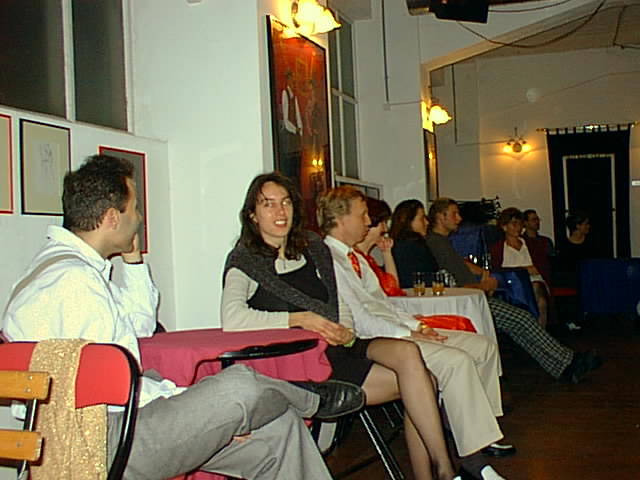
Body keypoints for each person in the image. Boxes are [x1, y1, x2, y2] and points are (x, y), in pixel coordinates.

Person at [2, 155, 363, 480]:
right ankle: (311, 399)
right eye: (134, 209)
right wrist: (202, 407)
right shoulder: (74, 284)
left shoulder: (64, 271)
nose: (139, 218)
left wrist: (133, 262)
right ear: (112, 218)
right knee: (238, 386)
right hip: (102, 442)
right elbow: (116, 394)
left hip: (112, 427)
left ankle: (293, 400)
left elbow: (138, 329)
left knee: (278, 430)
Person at [221, 173, 457, 480]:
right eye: (268, 204)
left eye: (286, 202)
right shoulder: (246, 260)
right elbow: (233, 319)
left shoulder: (311, 248)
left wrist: (344, 328)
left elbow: (336, 301)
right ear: (252, 215)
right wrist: (300, 319)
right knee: (424, 381)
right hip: (302, 362)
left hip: (339, 345)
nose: (280, 211)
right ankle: (444, 472)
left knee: (411, 356)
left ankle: (441, 470)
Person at [319, 186, 512, 480]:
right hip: (377, 341)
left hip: (394, 329)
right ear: (342, 219)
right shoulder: (329, 259)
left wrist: (418, 326)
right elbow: (361, 321)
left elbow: (385, 304)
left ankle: (478, 432)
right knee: (456, 362)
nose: (369, 221)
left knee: (482, 346)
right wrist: (406, 333)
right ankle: (473, 458)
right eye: (363, 215)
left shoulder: (355, 257)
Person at [424, 198, 602, 384]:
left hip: (472, 298)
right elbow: (450, 283)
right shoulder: (437, 244)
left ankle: (564, 367)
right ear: (441, 216)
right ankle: (569, 361)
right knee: (522, 319)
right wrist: (483, 287)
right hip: (469, 301)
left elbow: (459, 265)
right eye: (454, 214)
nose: (459, 218)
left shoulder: (441, 242)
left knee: (519, 325)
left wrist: (482, 273)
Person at [489, 207, 549, 329]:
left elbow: (540, 268)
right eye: (514, 224)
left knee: (538, 293)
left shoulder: (531, 245)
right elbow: (496, 271)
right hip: (511, 285)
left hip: (533, 281)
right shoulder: (498, 249)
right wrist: (524, 269)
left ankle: (539, 331)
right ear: (504, 227)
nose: (518, 227)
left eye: (520, 224)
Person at [389, 199, 440, 289]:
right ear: (408, 221)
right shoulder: (415, 246)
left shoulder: (396, 245)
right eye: (422, 218)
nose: (427, 222)